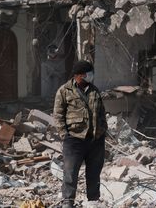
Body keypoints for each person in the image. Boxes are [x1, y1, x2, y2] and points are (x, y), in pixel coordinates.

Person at [53, 60, 108, 208]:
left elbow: (101, 113)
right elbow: (58, 115)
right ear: (79, 75)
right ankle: (68, 201)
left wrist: (103, 131)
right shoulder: (64, 91)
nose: (91, 76)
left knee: (94, 173)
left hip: (95, 140)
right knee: (70, 172)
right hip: (74, 140)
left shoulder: (94, 90)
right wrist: (65, 135)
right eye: (88, 73)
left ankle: (93, 201)